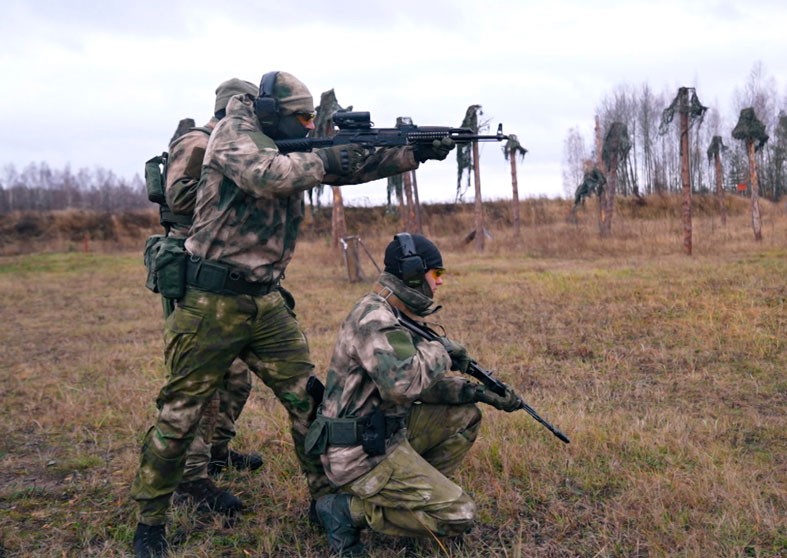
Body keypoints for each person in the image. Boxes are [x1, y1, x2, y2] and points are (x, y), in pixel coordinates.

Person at [130, 71, 455, 558]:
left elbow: (345, 165)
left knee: (312, 405)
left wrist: (412, 152)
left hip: (265, 302)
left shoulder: (289, 146)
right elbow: (267, 174)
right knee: (180, 414)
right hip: (208, 302)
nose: (308, 128)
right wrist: (325, 156)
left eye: (311, 120)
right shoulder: (231, 136)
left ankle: (326, 505)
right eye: (302, 119)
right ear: (271, 113)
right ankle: (149, 521)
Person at [309, 233, 522, 557]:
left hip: (382, 432)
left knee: (463, 416)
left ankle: (414, 502)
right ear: (411, 274)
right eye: (436, 275)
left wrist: (475, 392)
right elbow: (401, 386)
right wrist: (441, 352)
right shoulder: (375, 320)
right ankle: (345, 511)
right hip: (357, 453)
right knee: (458, 514)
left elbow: (414, 386)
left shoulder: (395, 314)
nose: (439, 283)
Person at [161, 78, 264, 517]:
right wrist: (231, 177)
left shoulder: (232, 143)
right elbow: (179, 197)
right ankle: (193, 479)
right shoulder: (198, 141)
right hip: (192, 272)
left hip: (226, 271)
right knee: (202, 383)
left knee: (237, 376)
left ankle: (219, 451)